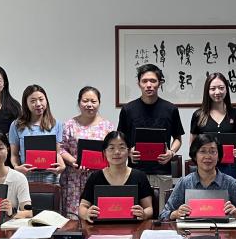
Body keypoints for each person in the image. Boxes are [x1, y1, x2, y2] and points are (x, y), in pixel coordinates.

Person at [116, 63, 184, 196]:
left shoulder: (171, 109)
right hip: (134, 171)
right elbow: (121, 140)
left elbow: (178, 138)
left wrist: (171, 153)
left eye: (153, 81)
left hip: (162, 171)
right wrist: (129, 151)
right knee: (136, 208)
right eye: (144, 81)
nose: (149, 85)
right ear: (139, 84)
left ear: (160, 83)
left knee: (163, 207)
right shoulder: (128, 110)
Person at [160, 134, 236, 221]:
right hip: (191, 231)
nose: (208, 156)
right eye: (202, 151)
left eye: (213, 152)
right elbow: (163, 215)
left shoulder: (231, 183)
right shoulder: (184, 182)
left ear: (218, 156)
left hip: (222, 232)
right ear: (195, 156)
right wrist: (176, 214)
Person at [59, 86, 115, 218]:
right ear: (79, 102)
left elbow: (113, 150)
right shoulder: (69, 125)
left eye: (93, 101)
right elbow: (60, 148)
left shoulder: (108, 126)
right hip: (75, 178)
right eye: (85, 101)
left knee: (98, 216)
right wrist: (73, 161)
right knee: (73, 218)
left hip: (100, 177)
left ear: (99, 103)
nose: (89, 105)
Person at [78, 131, 154, 223]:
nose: (117, 152)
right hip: (101, 228)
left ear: (129, 151)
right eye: (111, 148)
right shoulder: (95, 177)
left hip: (133, 228)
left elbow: (149, 208)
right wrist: (86, 214)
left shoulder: (140, 176)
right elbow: (83, 207)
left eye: (122, 148)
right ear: (104, 152)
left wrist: (144, 214)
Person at [190, 72, 236, 181]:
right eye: (213, 88)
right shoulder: (198, 115)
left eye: (221, 88)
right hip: (205, 167)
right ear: (207, 91)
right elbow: (192, 145)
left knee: (230, 192)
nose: (217, 92)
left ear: (226, 89)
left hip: (229, 167)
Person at [9, 84, 65, 185]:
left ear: (46, 100)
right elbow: (14, 154)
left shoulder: (56, 124)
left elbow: (57, 153)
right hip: (26, 177)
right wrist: (17, 167)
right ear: (26, 104)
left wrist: (62, 166)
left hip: (50, 177)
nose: (38, 104)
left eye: (41, 99)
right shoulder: (16, 125)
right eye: (33, 101)